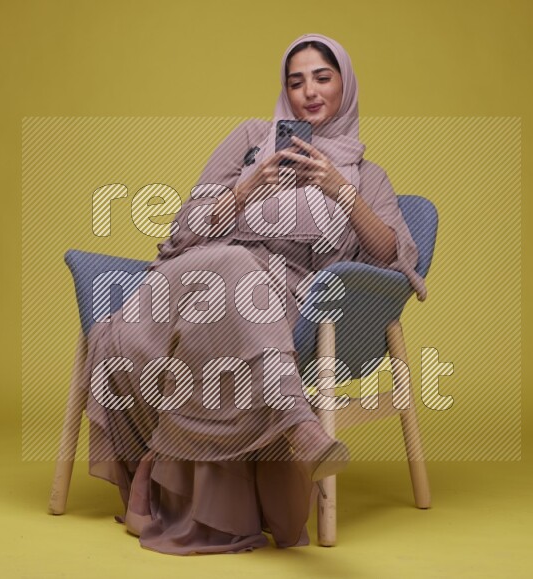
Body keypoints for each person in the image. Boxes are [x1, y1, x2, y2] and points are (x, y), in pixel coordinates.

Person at [81, 33, 428, 555]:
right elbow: (183, 230)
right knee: (234, 261)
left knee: (240, 302)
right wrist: (244, 189)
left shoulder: (364, 176)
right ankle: (296, 423)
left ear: (345, 87)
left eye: (322, 77)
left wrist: (341, 190)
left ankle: (153, 472)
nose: (308, 91)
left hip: (272, 302)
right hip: (189, 282)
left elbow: (393, 255)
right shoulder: (249, 140)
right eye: (295, 81)